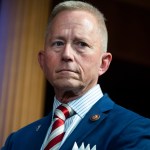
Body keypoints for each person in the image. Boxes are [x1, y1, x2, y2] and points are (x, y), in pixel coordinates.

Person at [2, 1, 150, 150]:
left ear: (103, 63)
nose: (67, 54)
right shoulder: (17, 141)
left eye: (81, 44)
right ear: (42, 60)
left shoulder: (132, 130)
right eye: (58, 43)